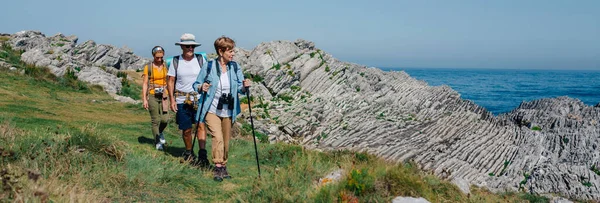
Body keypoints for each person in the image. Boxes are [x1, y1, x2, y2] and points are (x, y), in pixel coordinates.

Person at [194, 36, 250, 181]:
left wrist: (245, 87)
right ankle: (217, 168)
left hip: (229, 110)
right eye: (230, 51)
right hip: (211, 109)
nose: (233, 54)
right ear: (221, 51)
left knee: (225, 141)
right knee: (217, 137)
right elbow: (196, 84)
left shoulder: (235, 67)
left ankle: (223, 166)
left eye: (233, 51)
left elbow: (240, 88)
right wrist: (202, 87)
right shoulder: (209, 66)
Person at [166, 33, 210, 166]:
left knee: (201, 125)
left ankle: (202, 154)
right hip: (181, 99)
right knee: (186, 129)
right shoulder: (175, 61)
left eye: (192, 46)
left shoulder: (201, 59)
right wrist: (172, 100)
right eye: (187, 46)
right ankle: (189, 152)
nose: (190, 48)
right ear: (182, 47)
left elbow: (208, 76)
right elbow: (171, 81)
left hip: (200, 98)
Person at [142, 46, 169, 150]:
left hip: (164, 95)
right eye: (157, 57)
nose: (159, 59)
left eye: (161, 57)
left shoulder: (166, 66)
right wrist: (144, 99)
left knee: (165, 119)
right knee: (155, 120)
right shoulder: (148, 67)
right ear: (153, 56)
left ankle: (160, 132)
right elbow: (145, 83)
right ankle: (157, 141)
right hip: (152, 94)